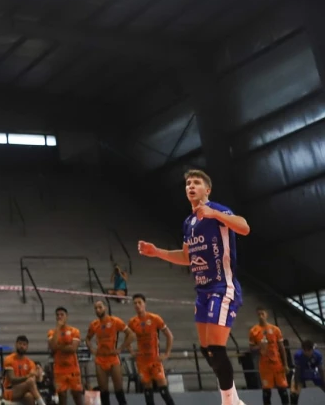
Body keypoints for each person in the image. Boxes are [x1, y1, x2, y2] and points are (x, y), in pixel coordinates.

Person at [138, 169, 250, 405]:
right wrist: (157, 252)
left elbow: (244, 227)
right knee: (206, 349)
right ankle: (235, 399)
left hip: (222, 287)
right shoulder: (188, 222)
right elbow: (187, 257)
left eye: (196, 182)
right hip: (202, 292)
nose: (190, 186)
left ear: (206, 190)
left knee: (217, 348)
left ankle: (229, 402)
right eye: (188, 183)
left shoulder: (217, 210)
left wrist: (215, 214)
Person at [124, 294, 175, 405]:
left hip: (155, 360)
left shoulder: (154, 318)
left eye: (139, 302)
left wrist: (167, 353)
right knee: (148, 392)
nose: (137, 305)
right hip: (142, 362)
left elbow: (169, 336)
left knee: (163, 390)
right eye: (135, 303)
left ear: (144, 304)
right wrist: (131, 351)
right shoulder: (132, 322)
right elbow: (127, 339)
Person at [87, 300, 128, 405]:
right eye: (96, 308)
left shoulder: (115, 321)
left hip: (113, 358)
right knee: (104, 392)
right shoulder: (94, 324)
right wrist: (92, 349)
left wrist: (120, 348)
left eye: (100, 307)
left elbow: (131, 334)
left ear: (105, 307)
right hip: (100, 359)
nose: (98, 310)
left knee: (119, 390)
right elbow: (87, 339)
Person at [250, 309, 289, 405]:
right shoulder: (254, 331)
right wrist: (260, 346)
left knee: (283, 390)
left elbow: (282, 347)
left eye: (262, 314)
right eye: (259, 314)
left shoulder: (275, 329)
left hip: (277, 363)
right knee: (266, 392)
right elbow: (251, 348)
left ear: (266, 315)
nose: (261, 316)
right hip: (264, 365)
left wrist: (286, 364)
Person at [48, 307, 83, 405]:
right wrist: (58, 329)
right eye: (57, 315)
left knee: (77, 394)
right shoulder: (52, 332)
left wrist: (58, 346)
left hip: (73, 367)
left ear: (66, 316)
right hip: (59, 368)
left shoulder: (74, 331)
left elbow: (73, 349)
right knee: (62, 395)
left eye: (62, 314)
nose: (59, 317)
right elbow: (52, 347)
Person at [3, 336, 42, 404]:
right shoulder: (9, 359)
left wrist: (39, 375)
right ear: (16, 344)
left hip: (24, 390)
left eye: (24, 344)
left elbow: (36, 380)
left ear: (27, 347)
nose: (22, 346)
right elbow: (12, 380)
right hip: (11, 390)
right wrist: (27, 377)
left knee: (29, 396)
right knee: (29, 381)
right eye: (20, 344)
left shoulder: (30, 362)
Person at [291, 341, 323, 405]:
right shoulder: (298, 355)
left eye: (309, 350)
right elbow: (297, 371)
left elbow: (321, 370)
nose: (307, 352)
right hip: (301, 373)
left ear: (312, 349)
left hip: (314, 372)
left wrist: (323, 380)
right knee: (294, 393)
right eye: (305, 350)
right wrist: (296, 385)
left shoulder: (318, 355)